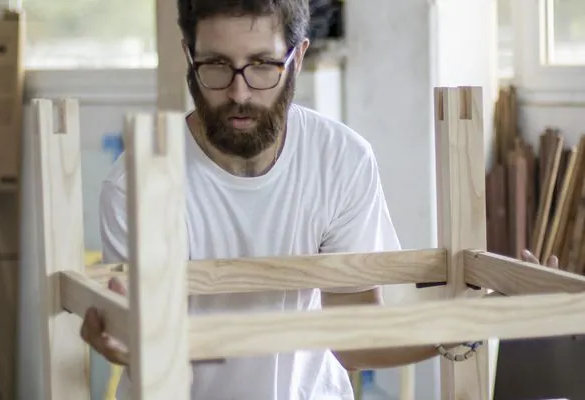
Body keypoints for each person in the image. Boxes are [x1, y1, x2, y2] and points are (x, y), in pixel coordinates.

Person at [79, 1, 559, 399]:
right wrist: (134, 342)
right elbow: (155, 354)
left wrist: (472, 323)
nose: (239, 92)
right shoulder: (138, 186)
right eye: (217, 66)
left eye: (262, 65)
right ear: (189, 57)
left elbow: (354, 337)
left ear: (298, 57)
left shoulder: (340, 160)